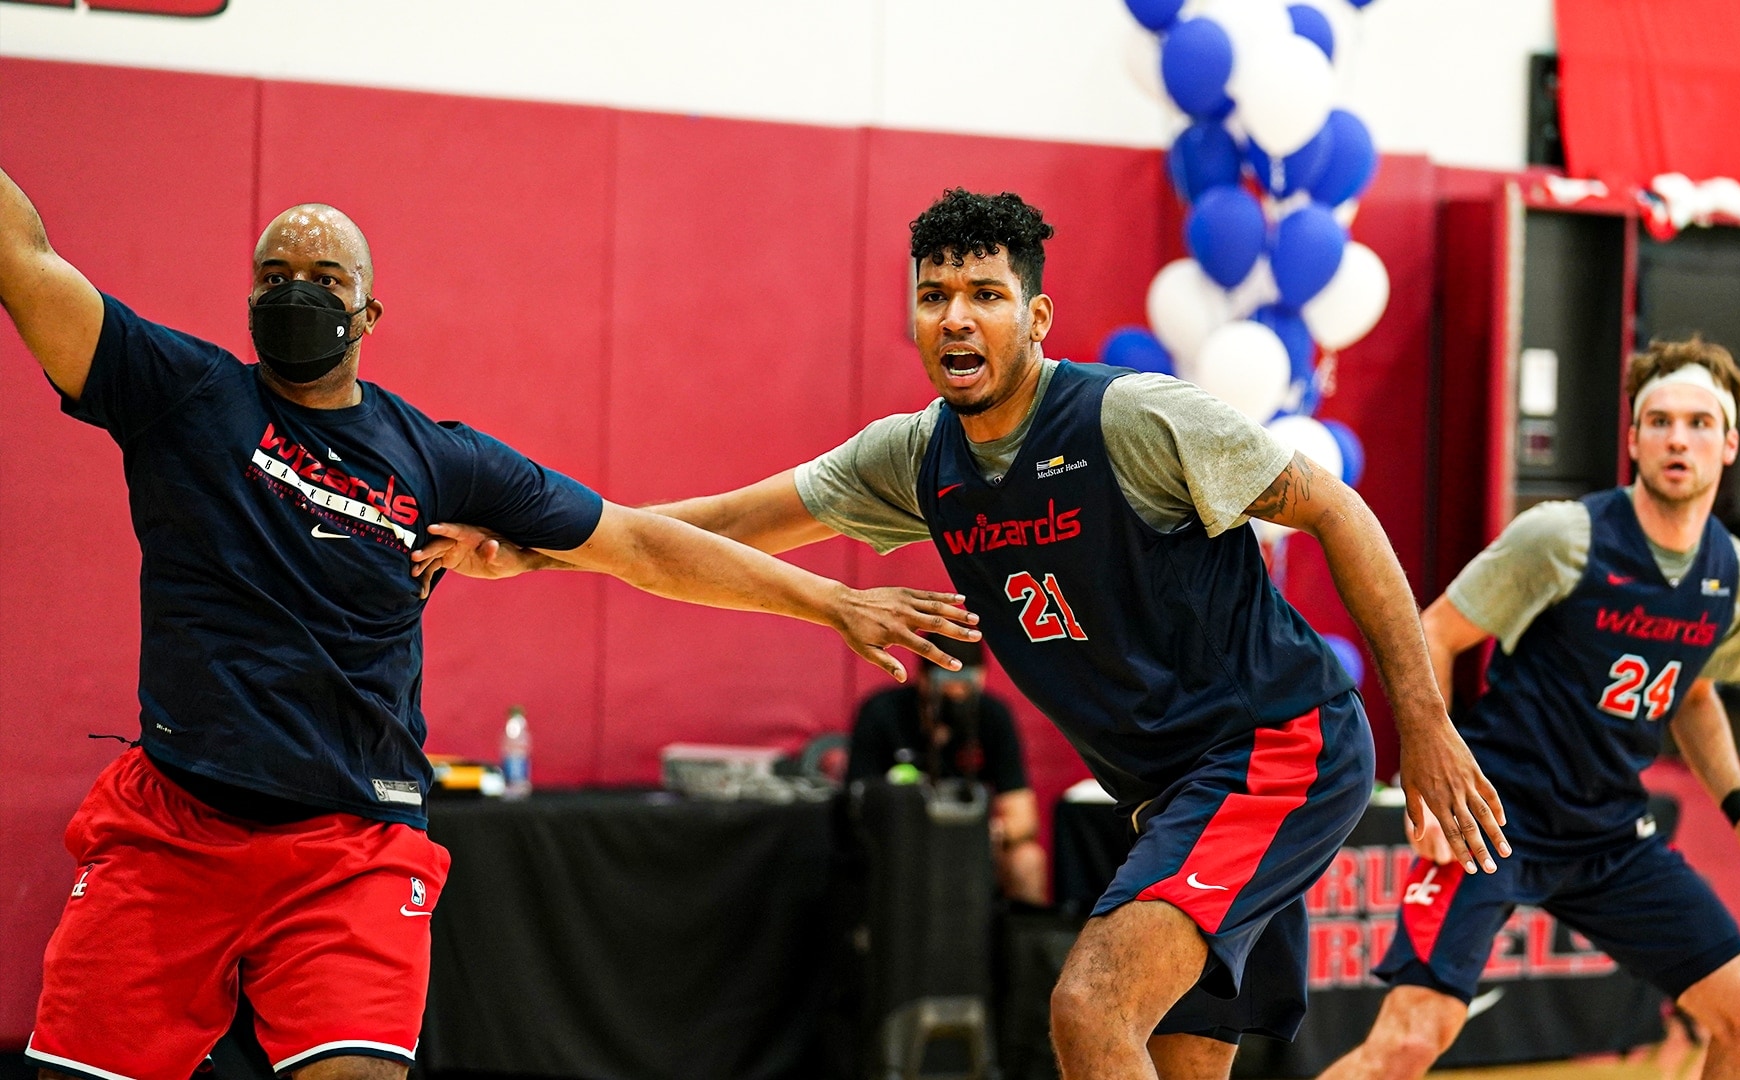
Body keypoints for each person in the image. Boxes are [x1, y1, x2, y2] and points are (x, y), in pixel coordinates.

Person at [419, 187, 1506, 1080]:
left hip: (1278, 749)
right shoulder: (913, 458)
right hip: (1174, 790)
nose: (955, 317)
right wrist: (533, 549)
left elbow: (1337, 507)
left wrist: (1422, 718)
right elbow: (701, 534)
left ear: (1033, 319)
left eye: (986, 295)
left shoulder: (1132, 418)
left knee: (1088, 1011)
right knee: (1169, 1059)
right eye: (935, 295)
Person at [0, 164, 978, 1080]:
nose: (297, 290)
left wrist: (829, 598)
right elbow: (28, 260)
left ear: (369, 310)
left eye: (325, 276)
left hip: (350, 845)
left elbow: (639, 543)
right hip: (176, 828)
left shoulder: (438, 460)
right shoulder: (180, 395)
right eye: (275, 273)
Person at [1319, 338, 1740, 1080]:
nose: (1679, 437)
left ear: (1729, 442)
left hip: (1610, 832)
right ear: (1634, 439)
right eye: (1660, 421)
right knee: (1410, 1042)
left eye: (1699, 423)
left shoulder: (1729, 574)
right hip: (1493, 818)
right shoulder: (1564, 536)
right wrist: (1428, 779)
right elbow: (1435, 634)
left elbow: (1698, 695)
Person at [848, 638, 1048, 904]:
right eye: (950, 685)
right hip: (902, 840)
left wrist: (982, 831)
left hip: (971, 840)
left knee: (1027, 860)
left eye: (968, 686)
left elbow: (1022, 817)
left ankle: (1021, 944)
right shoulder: (883, 713)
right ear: (923, 679)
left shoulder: (992, 717)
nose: (959, 696)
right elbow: (858, 803)